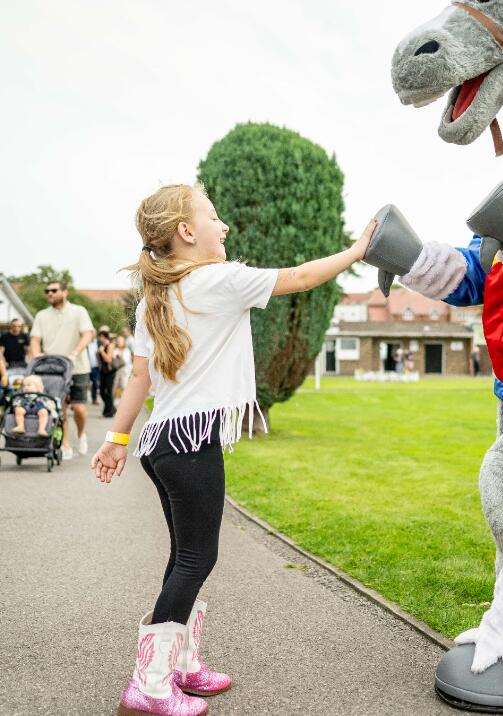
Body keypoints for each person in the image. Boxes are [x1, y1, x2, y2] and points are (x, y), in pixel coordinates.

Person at [90, 183, 375, 716]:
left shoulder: (157, 297)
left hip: (163, 443)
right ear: (186, 232)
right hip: (190, 441)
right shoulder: (217, 279)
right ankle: (149, 685)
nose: (224, 227)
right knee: (197, 559)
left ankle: (182, 666)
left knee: (187, 558)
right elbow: (302, 277)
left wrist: (117, 440)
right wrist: (358, 250)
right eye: (214, 217)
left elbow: (140, 378)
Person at [29, 282, 94, 459]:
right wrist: (36, 357)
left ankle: (81, 434)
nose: (49, 293)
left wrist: (74, 353)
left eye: (54, 290)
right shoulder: (42, 315)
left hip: (77, 366)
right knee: (60, 408)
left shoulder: (79, 311)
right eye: (47, 291)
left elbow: (88, 334)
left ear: (64, 292)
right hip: (52, 370)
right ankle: (65, 444)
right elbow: (35, 339)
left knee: (78, 408)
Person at [96, 331, 118, 418]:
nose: (100, 339)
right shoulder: (102, 346)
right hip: (103, 371)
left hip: (110, 372)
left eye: (101, 337)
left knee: (108, 392)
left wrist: (101, 352)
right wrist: (97, 353)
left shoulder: (110, 346)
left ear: (105, 337)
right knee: (101, 391)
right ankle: (111, 408)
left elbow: (108, 360)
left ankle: (109, 411)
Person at [112, 334, 133, 399]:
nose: (119, 342)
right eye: (118, 341)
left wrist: (119, 356)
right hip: (116, 371)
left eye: (121, 341)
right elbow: (113, 360)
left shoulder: (127, 350)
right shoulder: (114, 350)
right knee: (114, 388)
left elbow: (126, 361)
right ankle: (113, 405)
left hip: (125, 372)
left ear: (124, 342)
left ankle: (123, 402)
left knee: (124, 387)